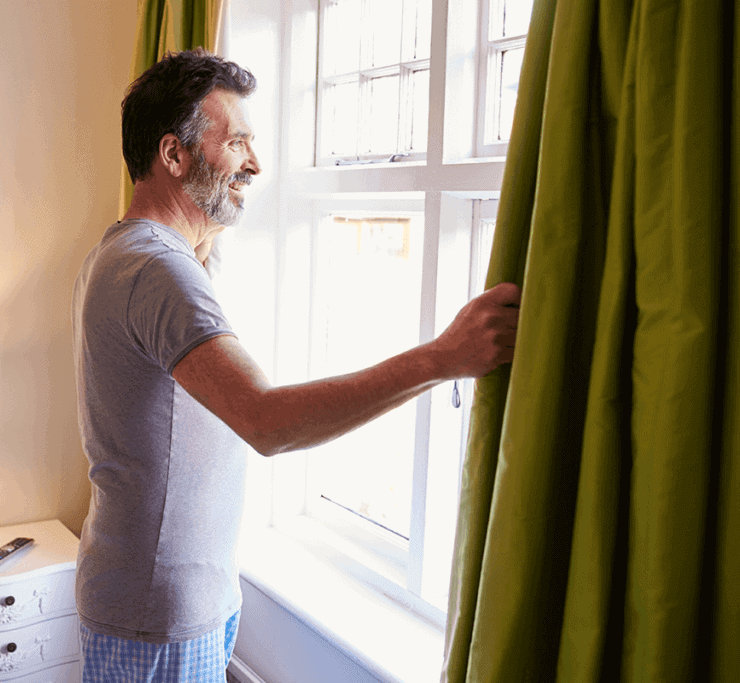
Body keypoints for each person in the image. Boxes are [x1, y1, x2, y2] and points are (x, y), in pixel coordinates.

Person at [71, 48, 520, 683]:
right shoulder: (156, 269)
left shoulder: (122, 251)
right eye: (238, 143)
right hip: (158, 613)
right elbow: (267, 421)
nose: (255, 164)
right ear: (173, 155)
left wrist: (210, 219)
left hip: (159, 596)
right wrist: (443, 357)